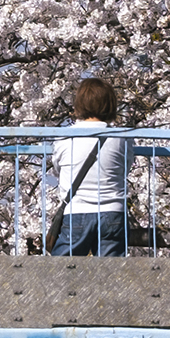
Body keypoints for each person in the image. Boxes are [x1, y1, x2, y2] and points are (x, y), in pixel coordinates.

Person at [47, 78, 129, 256]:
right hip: (113, 211)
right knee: (113, 275)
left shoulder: (65, 137)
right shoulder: (122, 137)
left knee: (60, 274)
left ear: (79, 104)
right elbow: (126, 168)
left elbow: (58, 169)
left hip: (77, 210)